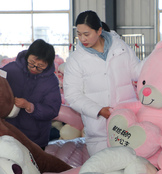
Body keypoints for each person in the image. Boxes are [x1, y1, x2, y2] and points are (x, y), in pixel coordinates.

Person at [63, 10, 143, 156]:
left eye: (86, 34)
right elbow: (72, 96)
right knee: (104, 173)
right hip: (98, 132)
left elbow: (137, 71)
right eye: (79, 34)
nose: (82, 39)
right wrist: (98, 110)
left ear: (99, 30)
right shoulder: (76, 60)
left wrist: (156, 62)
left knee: (131, 170)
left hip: (127, 124)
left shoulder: (121, 48)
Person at [1, 39, 61, 150]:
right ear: (27, 56)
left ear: (48, 64)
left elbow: (53, 110)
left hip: (35, 139)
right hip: (8, 133)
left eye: (40, 66)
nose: (34, 68)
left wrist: (30, 106)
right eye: (32, 63)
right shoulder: (11, 69)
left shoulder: (51, 82)